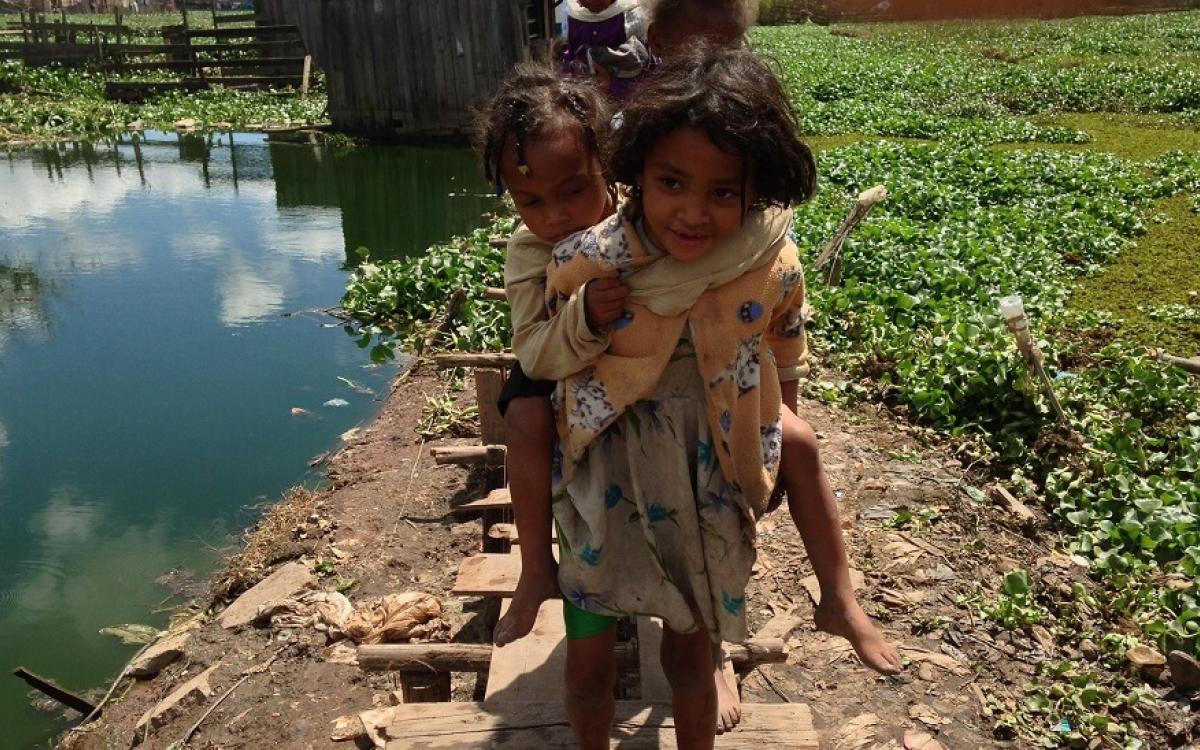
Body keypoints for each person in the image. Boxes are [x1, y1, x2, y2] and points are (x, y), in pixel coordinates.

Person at [541, 45, 896, 748]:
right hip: (605, 470)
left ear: (756, 191)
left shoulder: (770, 259)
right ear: (637, 172)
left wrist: (777, 437)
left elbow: (785, 346)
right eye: (672, 182)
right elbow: (552, 334)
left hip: (708, 477)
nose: (693, 212)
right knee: (588, 662)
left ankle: (839, 599)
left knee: (691, 660)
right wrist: (585, 316)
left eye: (723, 193)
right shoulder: (595, 255)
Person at [561, 0, 651, 101]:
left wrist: (612, 84)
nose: (581, 3)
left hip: (622, 102)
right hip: (582, 99)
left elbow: (644, 68)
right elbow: (570, 56)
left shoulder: (631, 18)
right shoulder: (575, 15)